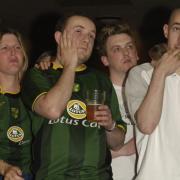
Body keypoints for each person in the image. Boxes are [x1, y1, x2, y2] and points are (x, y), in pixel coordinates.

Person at [21, 13, 126, 180]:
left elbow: (118, 142)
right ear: (59, 37)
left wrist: (110, 125)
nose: (87, 39)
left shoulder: (101, 80)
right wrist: (70, 64)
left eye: (91, 35)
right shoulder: (38, 74)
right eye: (79, 31)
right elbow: (52, 110)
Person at [125, 8, 180, 180]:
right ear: (166, 31)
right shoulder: (141, 73)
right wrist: (160, 73)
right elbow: (146, 125)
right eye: (177, 29)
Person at [97, 20, 139, 180]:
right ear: (105, 60)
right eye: (117, 49)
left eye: (129, 46)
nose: (126, 53)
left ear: (137, 53)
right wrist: (122, 150)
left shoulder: (154, 88)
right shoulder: (98, 95)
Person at [0, 28, 34, 180]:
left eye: (17, 47)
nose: (13, 52)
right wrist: (4, 168)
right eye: (4, 48)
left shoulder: (35, 95)